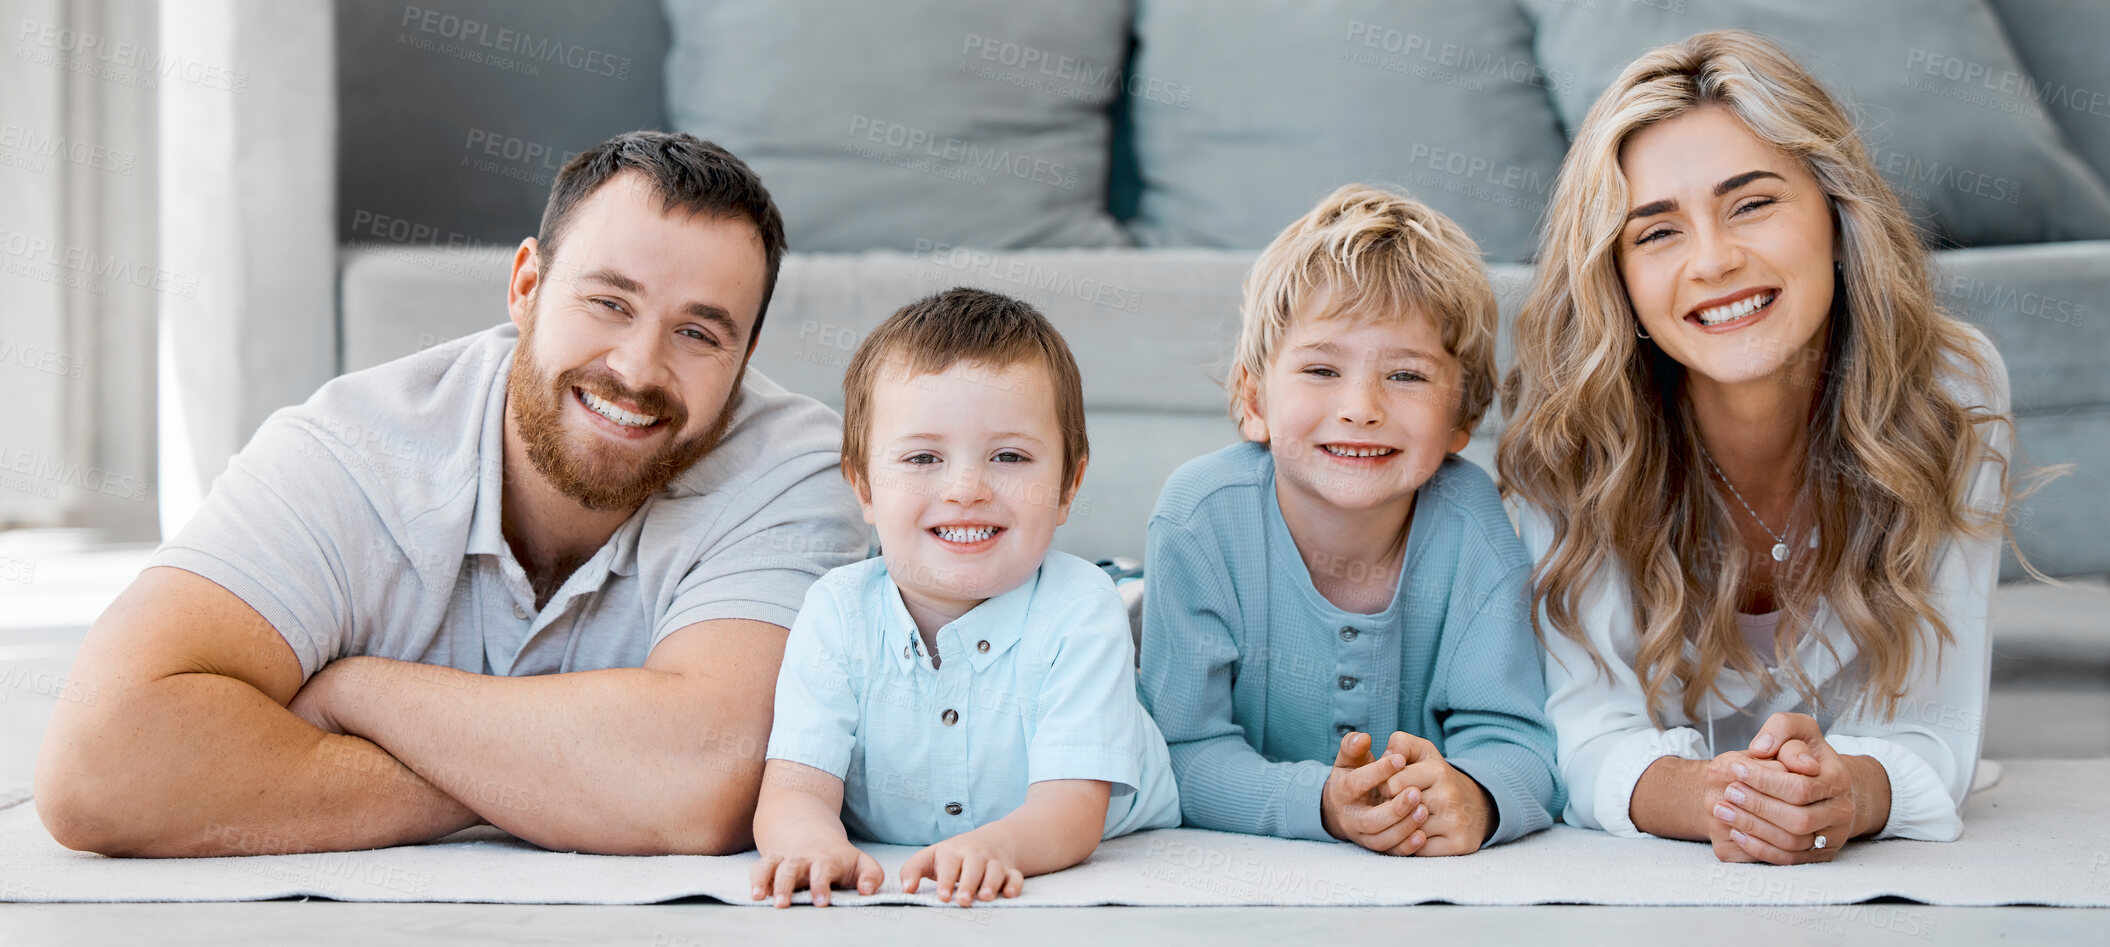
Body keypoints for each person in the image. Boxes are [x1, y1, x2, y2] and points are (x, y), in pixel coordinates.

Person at [36, 131, 866, 856]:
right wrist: (559, 780)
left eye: (697, 332)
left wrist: (359, 691)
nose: (638, 369)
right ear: (526, 287)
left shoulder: (792, 471)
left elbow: (699, 783)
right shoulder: (347, 453)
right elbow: (99, 764)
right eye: (608, 301)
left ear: (748, 352)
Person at [1498, 30, 2030, 864]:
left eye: (1752, 203)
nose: (1715, 260)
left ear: (1835, 208)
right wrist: (1723, 801)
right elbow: (1585, 733)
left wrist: (1846, 791)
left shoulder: (1948, 388)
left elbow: (1934, 727)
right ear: (1618, 276)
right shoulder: (1571, 418)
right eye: (1656, 233)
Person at [1139, 185, 1562, 857]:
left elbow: (1521, 741)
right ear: (1253, 401)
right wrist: (1320, 805)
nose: (1361, 406)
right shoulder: (1199, 518)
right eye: (1321, 368)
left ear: (1463, 418)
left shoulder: (1474, 528)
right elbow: (1179, 751)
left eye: (1407, 376)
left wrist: (1476, 795)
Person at [749, 288, 1179, 908]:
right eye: (923, 457)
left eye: (1009, 456)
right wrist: (810, 842)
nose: (965, 488)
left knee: (1132, 607)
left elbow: (1072, 810)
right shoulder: (836, 611)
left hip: (1109, 631)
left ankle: (1135, 585)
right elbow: (793, 788)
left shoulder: (1081, 609)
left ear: (1067, 486)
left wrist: (1000, 846)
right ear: (864, 486)